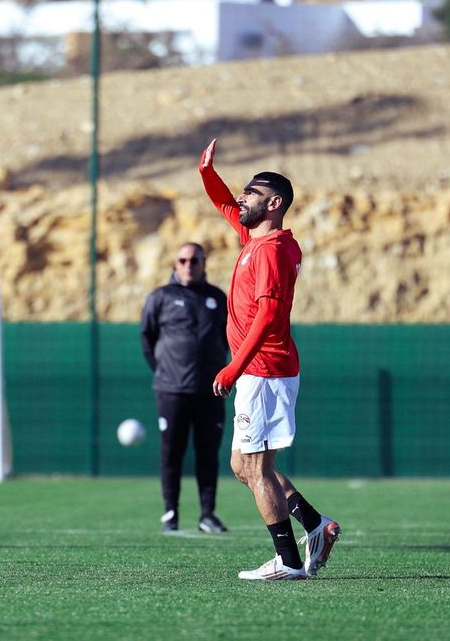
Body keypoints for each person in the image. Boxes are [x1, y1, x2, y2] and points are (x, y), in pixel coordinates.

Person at [199, 138, 341, 580]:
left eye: (252, 192)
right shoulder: (255, 239)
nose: (242, 198)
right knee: (242, 466)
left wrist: (233, 366)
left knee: (257, 468)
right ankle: (315, 525)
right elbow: (225, 204)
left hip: (263, 370)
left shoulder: (273, 250)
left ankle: (289, 561)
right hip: (257, 371)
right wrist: (207, 173)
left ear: (274, 203)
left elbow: (269, 315)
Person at [141, 242, 229, 534]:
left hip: (210, 391)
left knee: (208, 453)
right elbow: (147, 338)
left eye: (194, 260)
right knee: (171, 453)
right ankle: (170, 513)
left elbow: (228, 339)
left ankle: (207, 514)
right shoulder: (160, 297)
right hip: (171, 391)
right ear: (175, 264)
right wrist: (164, 371)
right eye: (183, 260)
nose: (188, 265)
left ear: (204, 263)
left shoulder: (217, 298)